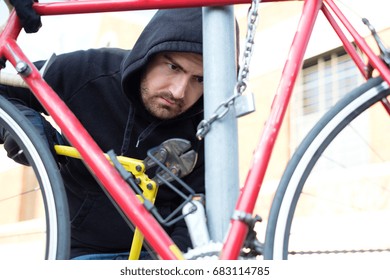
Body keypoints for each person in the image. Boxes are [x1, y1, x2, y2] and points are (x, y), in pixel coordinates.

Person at [1, 1, 206, 260]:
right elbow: (4, 91)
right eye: (173, 67)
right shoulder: (89, 72)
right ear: (150, 52)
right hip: (83, 254)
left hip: (155, 258)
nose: (178, 92)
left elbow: (198, 210)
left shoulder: (207, 125)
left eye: (198, 79)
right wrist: (27, 126)